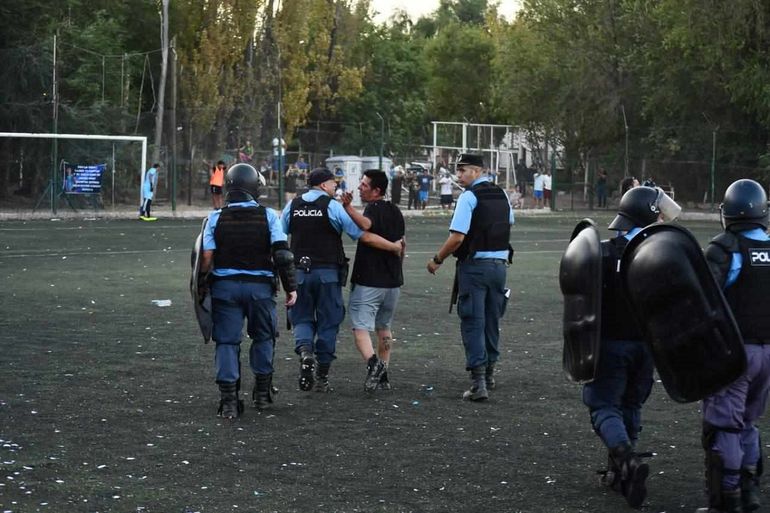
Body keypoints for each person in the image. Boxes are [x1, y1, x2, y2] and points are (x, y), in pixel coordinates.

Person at [281, 167, 403, 393]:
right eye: (333, 183)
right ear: (324, 185)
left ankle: (306, 353)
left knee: (301, 319)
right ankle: (322, 377)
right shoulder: (333, 207)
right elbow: (362, 234)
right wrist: (394, 246)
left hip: (299, 273)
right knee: (329, 322)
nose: (336, 186)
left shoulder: (293, 205)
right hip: (328, 273)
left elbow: (282, 234)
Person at [582, 186, 666, 508]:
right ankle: (622, 475)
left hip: (611, 344)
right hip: (646, 346)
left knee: (604, 406)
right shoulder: (663, 251)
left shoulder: (604, 252)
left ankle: (626, 460)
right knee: (631, 405)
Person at [198, 163, 298, 419]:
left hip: (225, 289)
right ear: (254, 187)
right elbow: (283, 254)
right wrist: (291, 288)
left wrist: (201, 285)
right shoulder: (268, 216)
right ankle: (263, 394)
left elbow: (206, 257)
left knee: (227, 342)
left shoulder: (215, 217)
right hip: (259, 289)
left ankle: (229, 401)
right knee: (264, 338)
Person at [698, 179, 770, 513]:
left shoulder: (725, 249)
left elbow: (702, 300)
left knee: (725, 424)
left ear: (727, 212)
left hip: (735, 353)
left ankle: (726, 500)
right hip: (768, 353)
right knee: (749, 421)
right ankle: (750, 491)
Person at [426, 153, 513, 401]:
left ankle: (478, 383)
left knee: (473, 321)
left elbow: (457, 238)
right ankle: (490, 373)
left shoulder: (469, 197)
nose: (459, 175)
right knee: (491, 320)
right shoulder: (501, 194)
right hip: (499, 266)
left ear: (477, 171)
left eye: (463, 170)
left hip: (475, 267)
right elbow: (508, 224)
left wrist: (437, 259)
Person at [342, 170, 405, 392]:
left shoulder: (374, 209)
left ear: (377, 190)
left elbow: (366, 226)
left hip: (370, 280)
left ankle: (374, 365)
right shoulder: (396, 211)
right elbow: (401, 244)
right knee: (384, 328)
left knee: (360, 327)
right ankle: (384, 373)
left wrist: (347, 207)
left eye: (364, 185)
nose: (360, 187)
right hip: (392, 281)